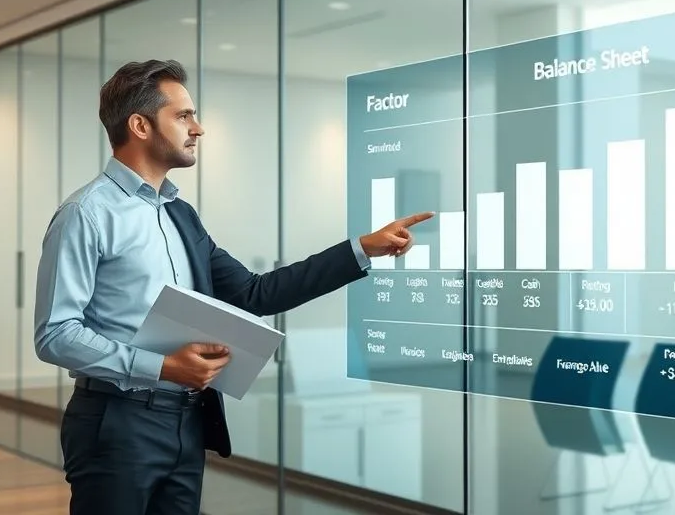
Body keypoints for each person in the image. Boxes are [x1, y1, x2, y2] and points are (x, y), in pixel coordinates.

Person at [33, 59, 432, 515]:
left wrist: (362, 249)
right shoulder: (87, 213)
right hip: (117, 422)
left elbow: (256, 293)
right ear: (140, 125)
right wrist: (161, 366)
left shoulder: (180, 215)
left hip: (187, 421)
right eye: (183, 116)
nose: (198, 128)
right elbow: (55, 334)